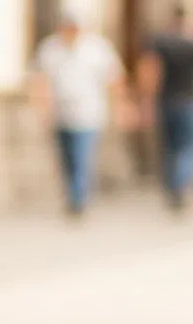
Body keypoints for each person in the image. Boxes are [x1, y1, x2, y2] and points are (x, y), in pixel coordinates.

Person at [30, 11, 128, 217]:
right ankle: (73, 194)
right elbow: (40, 80)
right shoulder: (50, 49)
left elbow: (114, 79)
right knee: (67, 159)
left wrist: (120, 107)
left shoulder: (96, 49)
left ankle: (78, 199)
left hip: (89, 114)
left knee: (82, 157)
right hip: (61, 114)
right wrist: (41, 107)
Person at [138, 4, 193, 212]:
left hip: (168, 101)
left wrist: (145, 100)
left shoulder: (160, 41)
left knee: (170, 147)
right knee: (188, 148)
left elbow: (150, 71)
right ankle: (181, 184)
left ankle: (174, 186)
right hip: (191, 100)